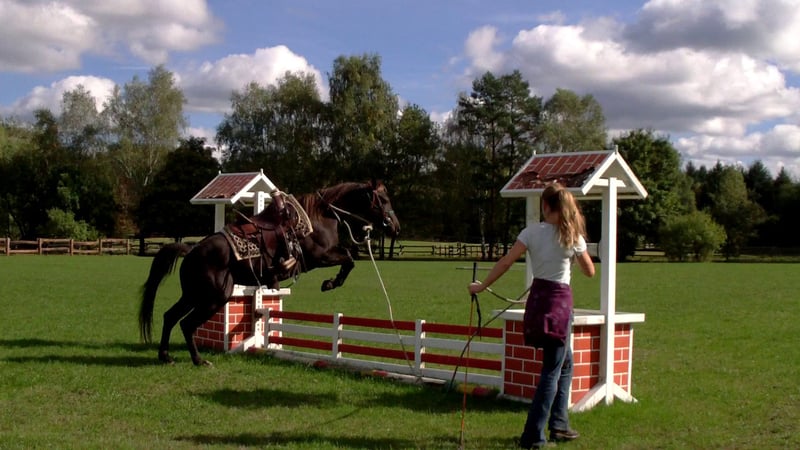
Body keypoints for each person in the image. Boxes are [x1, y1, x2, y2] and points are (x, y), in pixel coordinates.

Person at [468, 183, 595, 449]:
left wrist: (482, 286)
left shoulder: (531, 232)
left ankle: (559, 424)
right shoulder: (572, 236)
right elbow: (590, 272)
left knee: (564, 363)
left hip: (537, 304)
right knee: (552, 370)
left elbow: (506, 262)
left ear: (545, 205)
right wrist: (573, 254)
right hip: (559, 307)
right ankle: (534, 436)